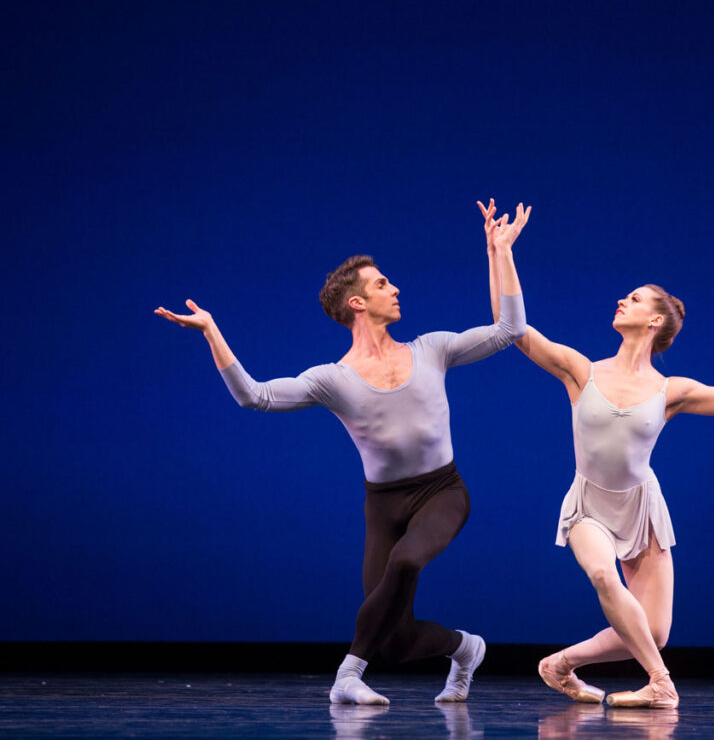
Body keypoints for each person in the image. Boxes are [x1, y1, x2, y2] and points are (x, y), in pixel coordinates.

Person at [155, 203, 530, 705]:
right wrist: (211, 331)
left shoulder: (432, 349)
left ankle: (346, 677)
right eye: (381, 284)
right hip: (384, 506)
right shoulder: (331, 379)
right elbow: (255, 396)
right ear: (357, 303)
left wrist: (499, 251)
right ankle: (467, 649)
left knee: (405, 563)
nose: (395, 289)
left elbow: (510, 329)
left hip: (443, 491)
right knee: (394, 640)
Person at [479, 206, 714, 709]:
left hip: (643, 507)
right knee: (605, 576)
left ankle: (559, 664)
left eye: (632, 299)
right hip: (590, 506)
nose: (620, 301)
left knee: (654, 628)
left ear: (653, 320)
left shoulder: (673, 390)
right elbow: (513, 328)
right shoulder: (580, 372)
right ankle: (661, 683)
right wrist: (501, 252)